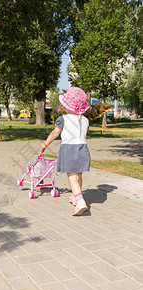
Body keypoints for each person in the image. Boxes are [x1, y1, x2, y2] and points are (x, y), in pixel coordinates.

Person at [41, 87, 91, 216]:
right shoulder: (85, 120)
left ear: (68, 106)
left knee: (72, 177)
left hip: (70, 149)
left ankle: (80, 201)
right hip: (83, 149)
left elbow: (55, 133)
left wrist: (46, 143)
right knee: (78, 175)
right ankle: (76, 196)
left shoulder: (63, 119)